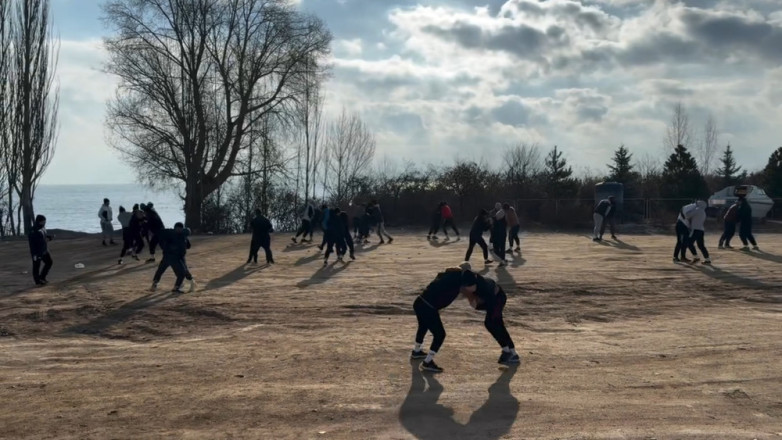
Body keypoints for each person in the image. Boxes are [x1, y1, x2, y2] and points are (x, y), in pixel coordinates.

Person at [410, 266, 479, 373]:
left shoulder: (449, 277)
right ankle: (427, 362)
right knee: (440, 334)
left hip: (419, 302)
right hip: (428, 308)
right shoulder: (455, 284)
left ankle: (416, 351)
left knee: (423, 326)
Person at [473, 272, 520, 365]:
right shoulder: (474, 282)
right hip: (495, 300)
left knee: (494, 324)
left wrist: (477, 304)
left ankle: (510, 353)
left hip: (498, 300)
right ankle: (509, 351)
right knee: (492, 324)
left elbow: (487, 302)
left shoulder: (482, 285)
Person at [150, 222, 195, 293]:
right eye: (177, 228)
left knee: (161, 270)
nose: (178, 230)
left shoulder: (181, 235)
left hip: (174, 256)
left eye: (180, 229)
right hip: (174, 257)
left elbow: (188, 246)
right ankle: (176, 287)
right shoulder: (171, 234)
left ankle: (155, 283)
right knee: (181, 272)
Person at [28, 214, 53, 286]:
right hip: (37, 252)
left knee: (49, 262)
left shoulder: (42, 228)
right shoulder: (34, 230)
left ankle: (42, 277)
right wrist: (35, 254)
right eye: (44, 221)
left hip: (44, 250)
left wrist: (49, 237)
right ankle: (37, 282)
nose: (45, 223)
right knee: (36, 266)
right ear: (39, 221)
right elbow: (34, 243)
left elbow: (44, 236)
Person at [684, 200, 711, 264]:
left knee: (689, 243)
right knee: (701, 245)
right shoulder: (703, 212)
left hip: (695, 229)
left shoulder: (697, 210)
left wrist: (690, 208)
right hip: (701, 230)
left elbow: (687, 215)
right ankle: (707, 259)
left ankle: (696, 257)